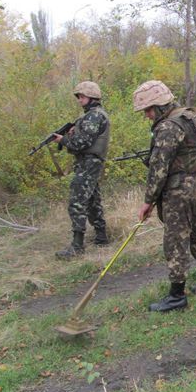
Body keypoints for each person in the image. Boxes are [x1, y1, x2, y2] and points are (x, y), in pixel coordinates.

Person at [133, 80, 196, 312]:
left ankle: (176, 296)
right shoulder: (193, 117)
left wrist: (148, 201)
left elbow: (158, 168)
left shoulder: (169, 126)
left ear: (160, 106)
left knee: (175, 239)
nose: (147, 116)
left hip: (179, 190)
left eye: (149, 110)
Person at [53, 81, 111, 260]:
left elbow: (81, 143)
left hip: (89, 163)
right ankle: (101, 237)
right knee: (93, 199)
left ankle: (77, 246)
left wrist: (63, 140)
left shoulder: (94, 116)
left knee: (77, 202)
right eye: (78, 97)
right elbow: (83, 139)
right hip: (89, 162)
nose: (79, 100)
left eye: (82, 96)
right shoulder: (92, 116)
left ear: (92, 97)